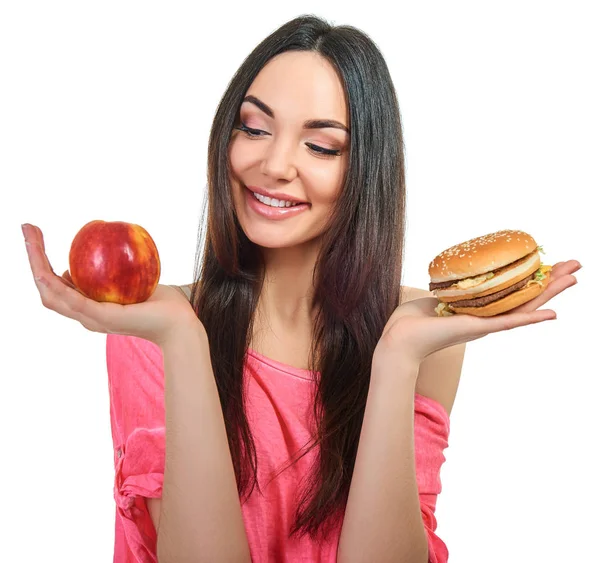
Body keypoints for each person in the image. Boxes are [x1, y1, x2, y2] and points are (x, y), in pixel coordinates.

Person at [22, 14, 581, 563]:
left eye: (321, 146)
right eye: (255, 128)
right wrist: (183, 340)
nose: (274, 164)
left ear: (366, 169)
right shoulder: (154, 326)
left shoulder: (420, 332)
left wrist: (397, 358)